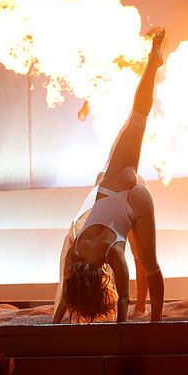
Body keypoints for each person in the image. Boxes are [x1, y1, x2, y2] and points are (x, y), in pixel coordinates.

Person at [53, 30, 166, 324]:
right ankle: (153, 64)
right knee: (137, 118)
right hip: (114, 184)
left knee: (150, 263)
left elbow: (122, 299)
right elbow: (65, 296)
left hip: (135, 201)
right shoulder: (75, 251)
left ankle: (155, 319)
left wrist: (121, 329)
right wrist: (54, 323)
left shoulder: (113, 253)